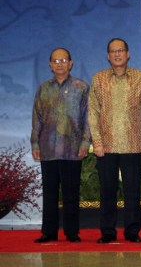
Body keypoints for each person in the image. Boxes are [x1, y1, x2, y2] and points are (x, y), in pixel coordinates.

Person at [88, 38, 141, 243]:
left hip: (133, 144)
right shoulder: (98, 78)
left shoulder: (140, 77)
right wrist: (97, 142)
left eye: (121, 50)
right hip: (106, 146)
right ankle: (108, 232)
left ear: (128, 54)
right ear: (108, 56)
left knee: (132, 191)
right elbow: (93, 112)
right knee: (107, 191)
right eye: (113, 51)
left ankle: (132, 232)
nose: (117, 54)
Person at [30, 47, 90, 243]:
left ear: (70, 63)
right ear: (50, 65)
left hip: (72, 149)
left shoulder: (81, 87)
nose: (60, 64)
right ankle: (49, 232)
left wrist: (85, 141)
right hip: (47, 148)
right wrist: (35, 143)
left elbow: (87, 118)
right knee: (50, 193)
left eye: (63, 60)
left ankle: (72, 232)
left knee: (71, 193)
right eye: (55, 61)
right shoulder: (43, 88)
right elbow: (37, 118)